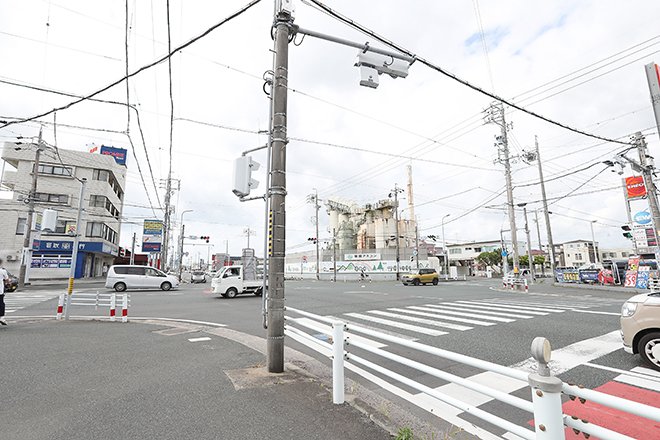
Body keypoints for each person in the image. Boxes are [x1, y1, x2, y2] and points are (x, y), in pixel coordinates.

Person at [0, 258, 8, 325]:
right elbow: (7, 280)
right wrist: (8, 283)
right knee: (1, 304)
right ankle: (2, 318)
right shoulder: (2, 271)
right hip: (0, 291)